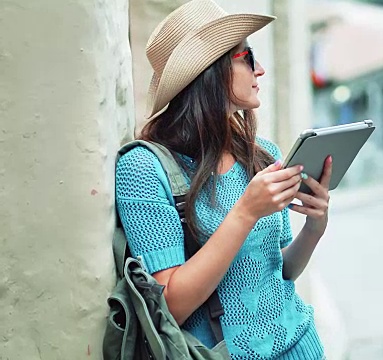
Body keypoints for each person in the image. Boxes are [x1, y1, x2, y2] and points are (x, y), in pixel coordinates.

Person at [115, 1, 329, 358]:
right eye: (247, 56)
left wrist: (315, 226)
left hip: (303, 346)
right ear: (210, 71)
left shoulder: (260, 153)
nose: (259, 70)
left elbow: (280, 271)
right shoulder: (143, 169)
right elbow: (170, 305)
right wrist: (245, 212)